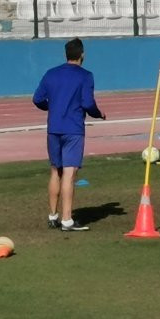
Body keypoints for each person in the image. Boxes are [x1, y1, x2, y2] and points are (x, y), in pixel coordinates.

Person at [32, 37, 106, 232]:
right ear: (82, 54)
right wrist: (99, 114)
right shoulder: (85, 76)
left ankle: (53, 215)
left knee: (55, 170)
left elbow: (37, 99)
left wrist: (52, 107)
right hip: (73, 128)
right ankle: (67, 220)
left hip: (54, 127)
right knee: (69, 172)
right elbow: (88, 104)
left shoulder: (51, 74)